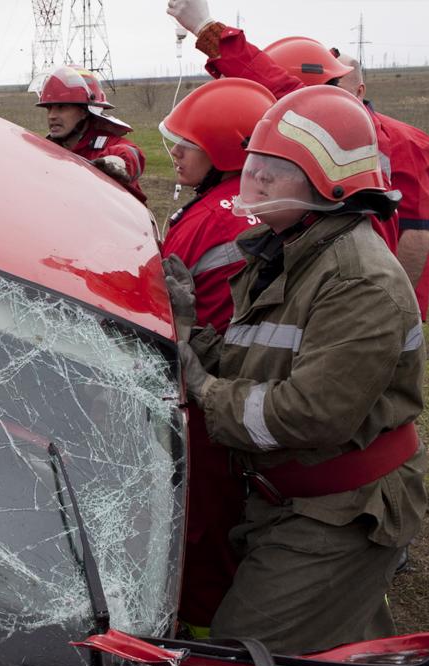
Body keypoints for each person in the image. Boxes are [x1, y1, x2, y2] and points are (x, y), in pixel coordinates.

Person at [169, 85, 426, 653]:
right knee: (332, 646)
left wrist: (205, 390)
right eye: (253, 166)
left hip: (339, 511)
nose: (251, 181)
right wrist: (187, 332)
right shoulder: (284, 251)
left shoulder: (358, 281)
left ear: (329, 188)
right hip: (289, 496)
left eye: (273, 171)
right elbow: (255, 363)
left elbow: (309, 414)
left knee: (244, 648)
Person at [167, 0, 429, 321]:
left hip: (355, 298)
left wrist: (394, 310)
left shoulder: (387, 139)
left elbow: (419, 233)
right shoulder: (336, 142)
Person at [156, 77, 276, 635]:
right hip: (242, 386)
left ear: (228, 149)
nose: (175, 151)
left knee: (199, 519)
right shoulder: (250, 205)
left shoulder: (209, 217)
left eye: (189, 142)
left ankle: (199, 632)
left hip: (201, 390)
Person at [35, 65, 147, 203]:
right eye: (49, 108)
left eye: (61, 107)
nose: (52, 116)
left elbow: (132, 153)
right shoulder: (47, 150)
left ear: (84, 112)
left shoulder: (104, 145)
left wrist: (118, 162)